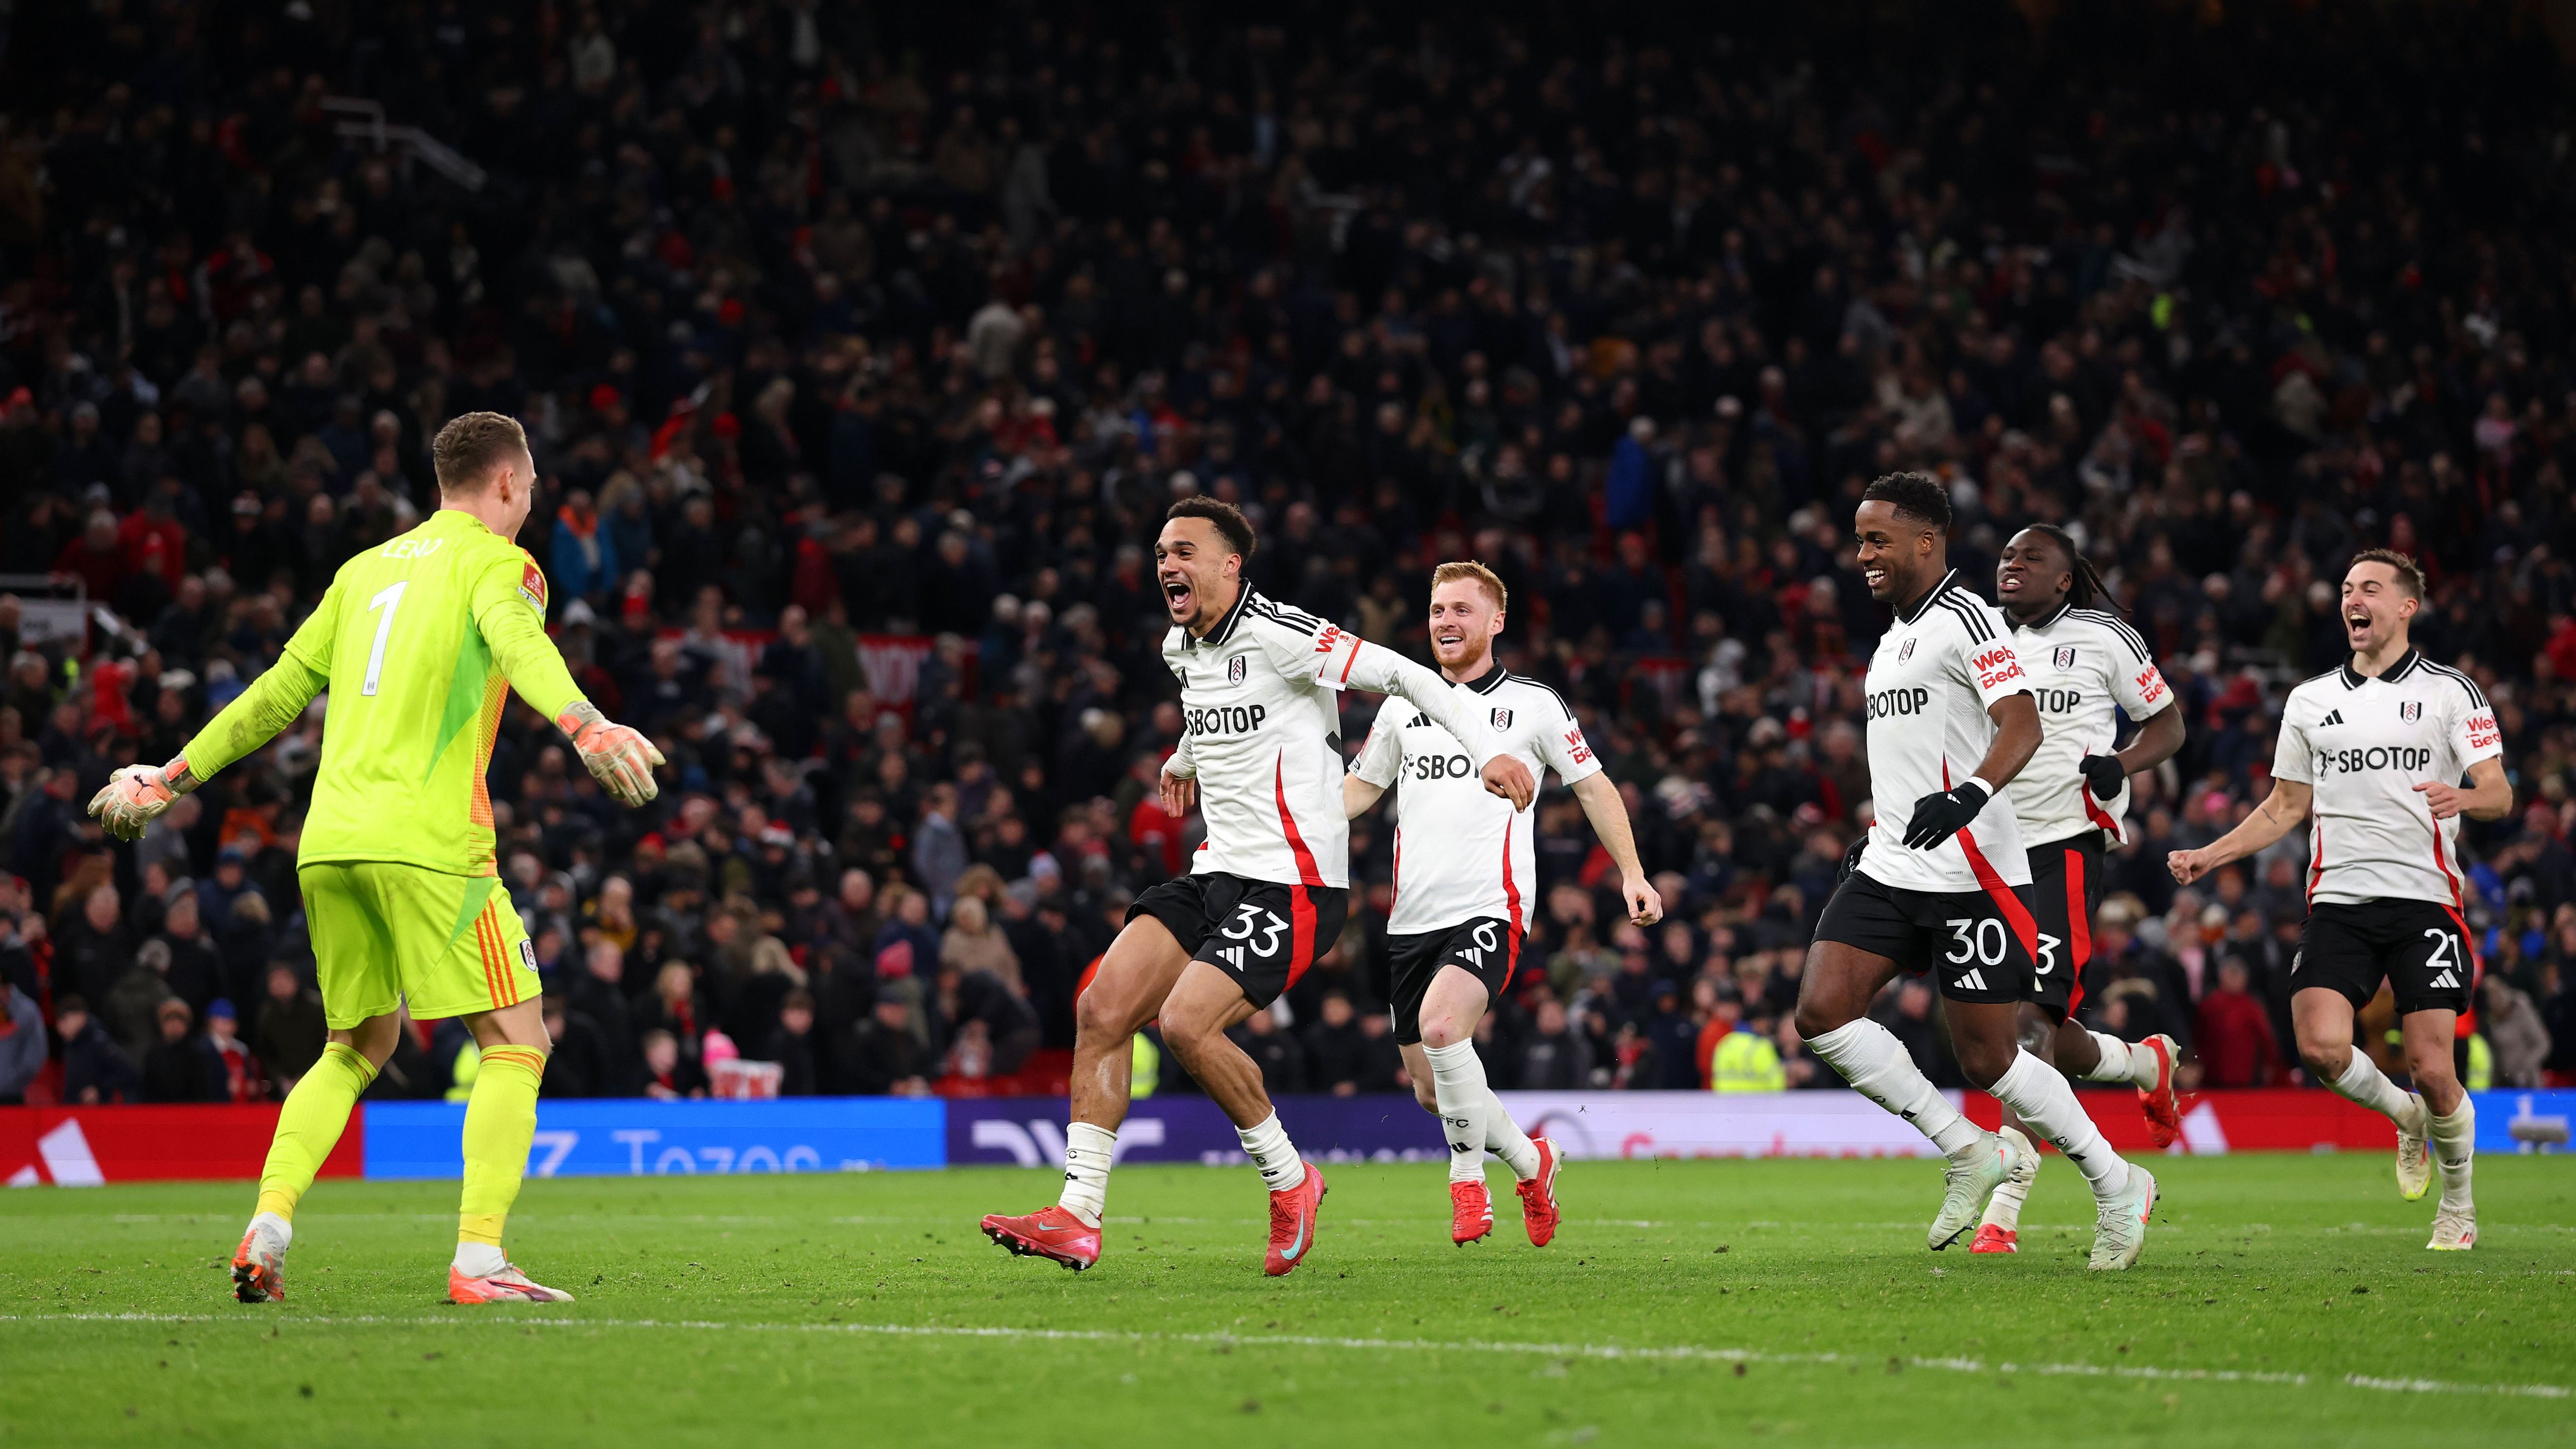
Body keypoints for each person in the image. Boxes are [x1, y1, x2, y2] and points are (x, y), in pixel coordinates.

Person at [88, 411, 666, 1305]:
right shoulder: (498, 564)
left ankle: (267, 1227)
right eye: (533, 478)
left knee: (357, 1042)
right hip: (429, 842)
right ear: (508, 481)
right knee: (519, 1036)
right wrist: (584, 721)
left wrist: (170, 776)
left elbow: (277, 691)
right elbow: (520, 641)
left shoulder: (362, 572)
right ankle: (480, 1261)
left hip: (329, 845)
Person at [979, 496, 1536, 1276]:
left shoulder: (1284, 633)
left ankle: (1291, 1179)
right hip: (1219, 869)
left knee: (1185, 1024)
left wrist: (1484, 748)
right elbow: (1212, 708)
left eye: (1185, 551)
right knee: (1101, 1009)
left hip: (1295, 882)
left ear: (1229, 564)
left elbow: (1405, 674)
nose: (1168, 564)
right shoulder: (1183, 643)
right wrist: (1182, 757)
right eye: (1162, 551)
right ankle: (1077, 1215)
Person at [1794, 473, 2156, 1272]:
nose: (1864, 555)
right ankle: (1966, 1150)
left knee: (1992, 1057)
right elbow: (1909, 753)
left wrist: (1972, 794)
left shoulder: (1969, 619)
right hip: (1895, 862)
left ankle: (2118, 1180)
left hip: (1975, 874)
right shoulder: (1894, 635)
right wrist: (1881, 826)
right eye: (1860, 540)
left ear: (1927, 541)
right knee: (1821, 1011)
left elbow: (2019, 723)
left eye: (1878, 539)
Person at [2171, 550, 2510, 1251]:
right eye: (2349, 589)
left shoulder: (2453, 693)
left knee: (2435, 1068)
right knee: (2322, 1046)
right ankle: (2404, 1118)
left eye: (2372, 589)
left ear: (2407, 606)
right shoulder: (2310, 699)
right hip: (2339, 898)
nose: (2354, 600)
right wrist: (2212, 852)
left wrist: (2468, 796)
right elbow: (2284, 806)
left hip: (2425, 900)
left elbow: (2500, 792)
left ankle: (2459, 1205)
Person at [1342, 560, 1659, 1245]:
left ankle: (1465, 1178)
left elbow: (1596, 787)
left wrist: (1631, 871)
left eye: (1461, 609)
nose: (1446, 622)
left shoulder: (1535, 705)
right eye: (1436, 610)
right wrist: (1284, 826)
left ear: (1496, 621)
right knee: (1433, 1091)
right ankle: (1531, 1158)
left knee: (1445, 1027)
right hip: (1410, 922)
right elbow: (1360, 791)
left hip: (1490, 906)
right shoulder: (1403, 703)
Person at [1972, 525, 2188, 1254]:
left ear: (2065, 581)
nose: (2012, 566)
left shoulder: (2103, 637)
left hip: (2062, 842)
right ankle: (2142, 1062)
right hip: (1985, 851)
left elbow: (2169, 723)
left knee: (2030, 1021)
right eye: (2006, 557)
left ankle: (2005, 1204)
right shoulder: (1977, 637)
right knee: (2006, 1031)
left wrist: (2122, 764)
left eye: (2030, 560)